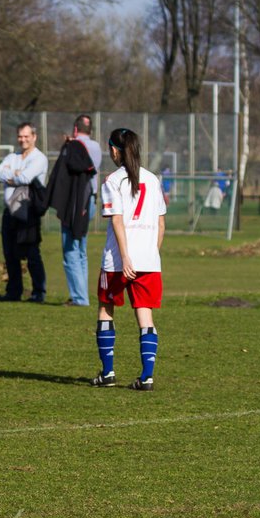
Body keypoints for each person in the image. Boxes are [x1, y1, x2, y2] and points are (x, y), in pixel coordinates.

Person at [92, 128, 165, 391]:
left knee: (105, 309)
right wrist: (151, 253)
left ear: (114, 150)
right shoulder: (153, 179)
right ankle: (147, 377)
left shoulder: (113, 180)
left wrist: (125, 258)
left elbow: (117, 220)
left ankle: (108, 373)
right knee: (145, 316)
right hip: (149, 261)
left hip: (117, 262)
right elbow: (161, 223)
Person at [0, 122, 49, 302]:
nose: (23, 140)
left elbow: (26, 177)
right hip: (10, 211)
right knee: (10, 253)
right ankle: (14, 291)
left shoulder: (39, 158)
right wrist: (15, 174)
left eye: (26, 136)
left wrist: (12, 175)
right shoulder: (13, 156)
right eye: (20, 136)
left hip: (28, 211)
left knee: (32, 253)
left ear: (34, 137)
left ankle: (38, 292)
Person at [47, 114, 100, 306]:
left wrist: (71, 144)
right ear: (90, 130)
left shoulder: (73, 147)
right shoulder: (96, 147)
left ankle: (79, 297)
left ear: (75, 129)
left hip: (76, 203)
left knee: (70, 249)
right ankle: (81, 294)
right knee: (81, 250)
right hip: (91, 201)